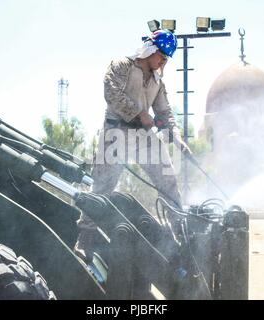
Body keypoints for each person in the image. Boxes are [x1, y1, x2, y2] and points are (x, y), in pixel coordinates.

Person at [74, 29, 191, 260]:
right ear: (150, 49)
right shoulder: (122, 66)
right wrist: (139, 113)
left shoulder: (158, 81)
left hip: (143, 137)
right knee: (103, 185)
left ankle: (180, 234)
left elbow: (165, 113)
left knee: (167, 177)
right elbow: (112, 94)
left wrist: (176, 138)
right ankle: (84, 239)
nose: (163, 61)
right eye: (161, 55)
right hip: (116, 132)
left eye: (166, 58)